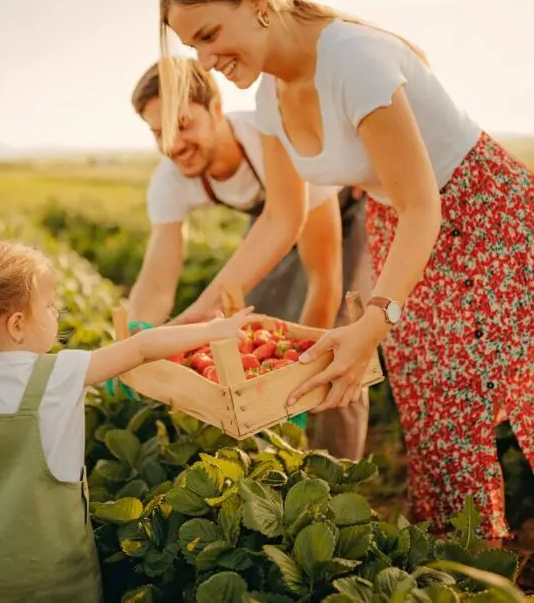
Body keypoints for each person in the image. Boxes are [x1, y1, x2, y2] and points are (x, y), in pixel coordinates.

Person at [156, 0, 534, 541]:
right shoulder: (267, 95)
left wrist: (376, 320)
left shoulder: (351, 60)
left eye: (210, 35)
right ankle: (460, 548)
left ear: (257, 1)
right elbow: (283, 219)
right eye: (194, 48)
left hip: (486, 213)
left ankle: (516, 541)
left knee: (458, 398)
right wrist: (197, 316)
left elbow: (422, 203)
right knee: (428, 404)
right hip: (401, 222)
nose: (206, 61)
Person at [0, 239, 260, 602]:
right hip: (58, 579)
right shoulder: (61, 372)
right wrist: (212, 331)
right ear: (16, 324)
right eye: (48, 306)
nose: (55, 314)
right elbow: (142, 347)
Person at [128, 58, 373, 458]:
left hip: (344, 210)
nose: (172, 144)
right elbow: (157, 279)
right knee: (259, 327)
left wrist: (303, 374)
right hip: (273, 217)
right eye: (158, 132)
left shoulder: (274, 145)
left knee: (335, 343)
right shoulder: (170, 180)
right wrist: (136, 342)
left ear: (217, 110)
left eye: (183, 124)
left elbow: (325, 281)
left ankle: (336, 471)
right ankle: (272, 460)